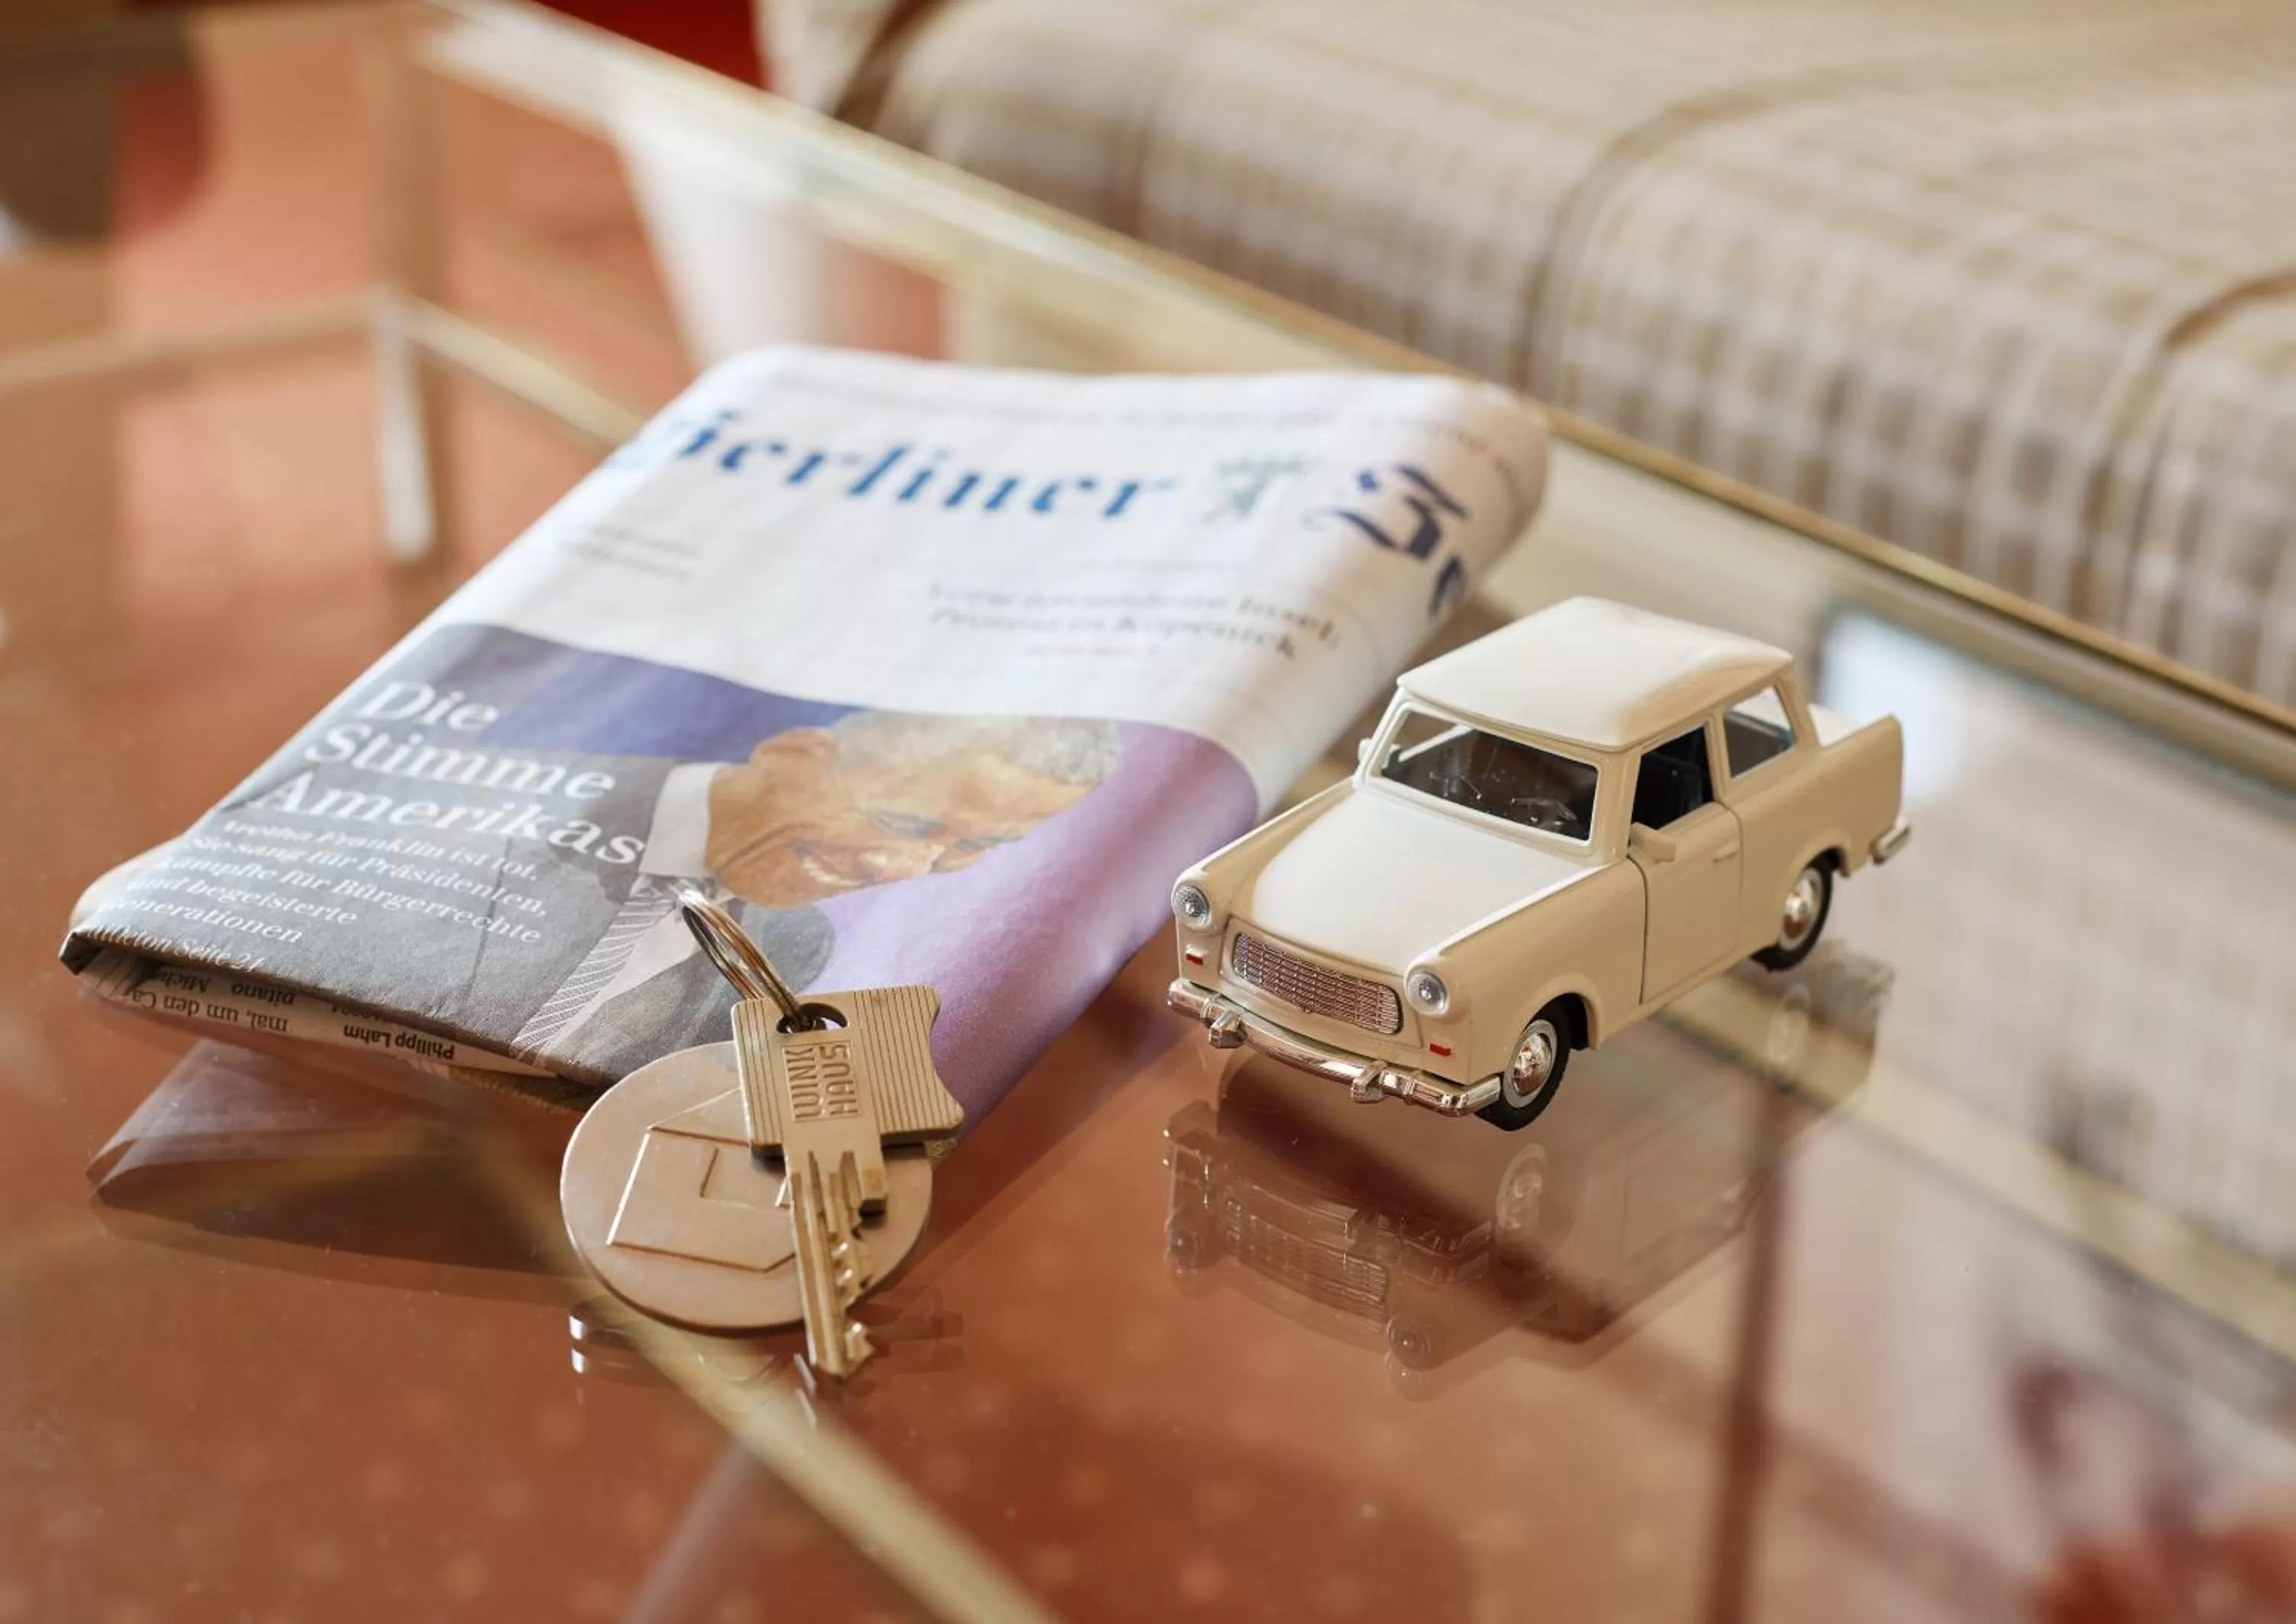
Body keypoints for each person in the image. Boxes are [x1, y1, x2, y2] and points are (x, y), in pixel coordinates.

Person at [519, 709, 1118, 1077]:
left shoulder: (797, 948)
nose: (901, 866)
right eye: (901, 822)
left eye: (972, 845)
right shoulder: (524, 791)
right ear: (793, 756)